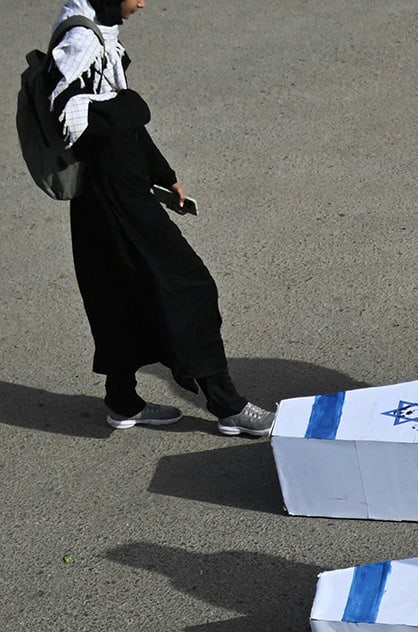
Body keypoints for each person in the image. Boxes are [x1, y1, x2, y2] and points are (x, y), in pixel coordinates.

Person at [48, 0, 269, 436]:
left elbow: (124, 125)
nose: (142, 2)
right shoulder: (79, 40)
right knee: (190, 286)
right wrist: (129, 105)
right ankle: (227, 405)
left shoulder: (98, 30)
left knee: (119, 292)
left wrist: (163, 175)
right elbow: (65, 115)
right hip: (112, 197)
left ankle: (122, 401)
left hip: (119, 189)